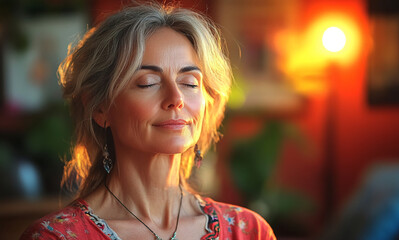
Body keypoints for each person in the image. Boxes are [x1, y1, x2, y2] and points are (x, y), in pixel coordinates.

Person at [20, 2, 276, 240]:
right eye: (148, 83)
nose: (176, 99)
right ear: (100, 108)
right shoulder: (57, 236)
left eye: (189, 83)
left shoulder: (248, 231)